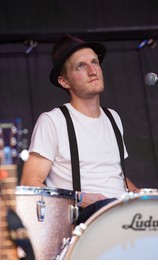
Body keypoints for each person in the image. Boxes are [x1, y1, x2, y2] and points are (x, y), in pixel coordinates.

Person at [20, 34, 139, 224]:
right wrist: (80, 198)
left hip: (122, 215)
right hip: (85, 222)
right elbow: (29, 183)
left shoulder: (113, 117)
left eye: (95, 62)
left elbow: (115, 174)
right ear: (64, 82)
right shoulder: (53, 121)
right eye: (81, 66)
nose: (93, 70)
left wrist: (138, 195)